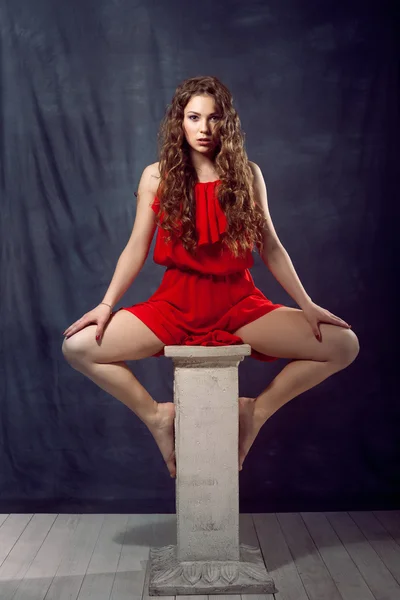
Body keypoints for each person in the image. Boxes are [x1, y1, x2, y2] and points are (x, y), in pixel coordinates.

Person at [62, 75, 359, 480]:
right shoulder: (156, 176)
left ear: (227, 123)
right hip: (174, 306)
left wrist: (307, 305)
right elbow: (135, 248)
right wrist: (105, 305)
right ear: (179, 122)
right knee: (78, 348)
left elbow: (270, 247)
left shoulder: (248, 175)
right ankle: (157, 418)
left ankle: (254, 412)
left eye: (214, 118)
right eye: (194, 117)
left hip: (240, 306)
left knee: (344, 345)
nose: (204, 128)